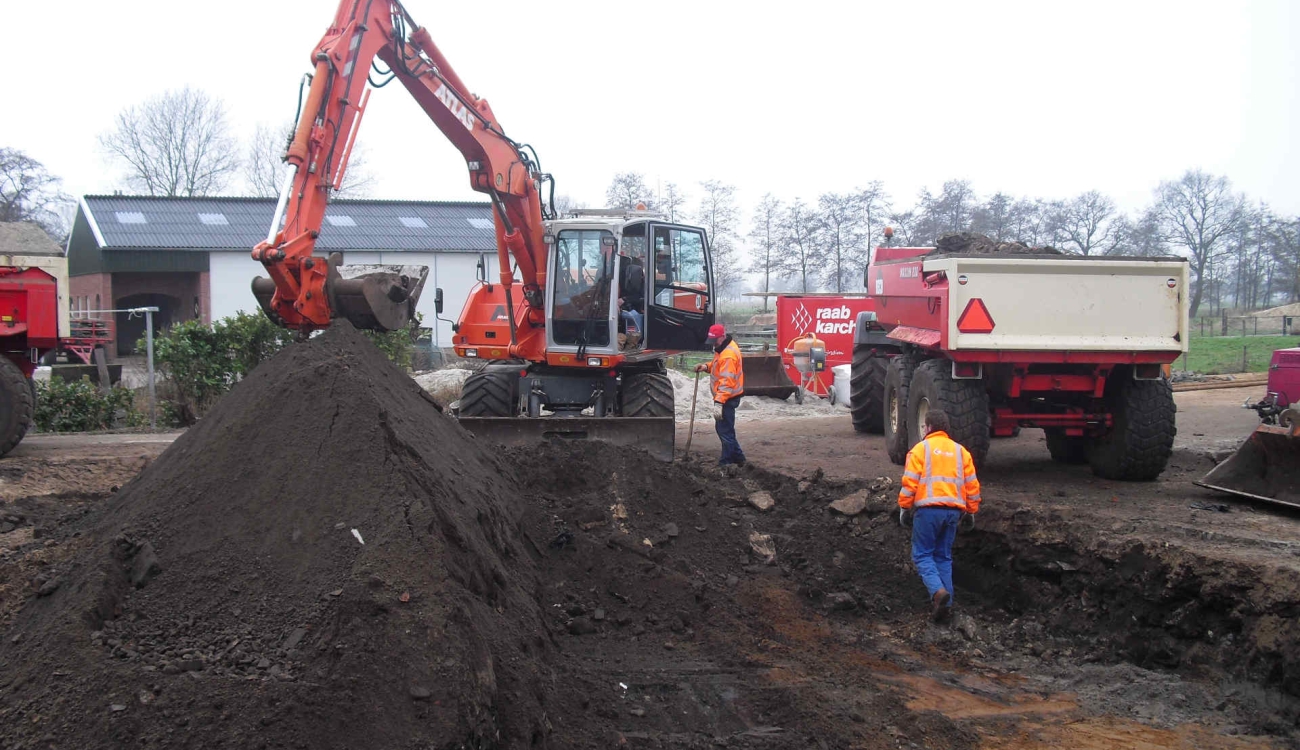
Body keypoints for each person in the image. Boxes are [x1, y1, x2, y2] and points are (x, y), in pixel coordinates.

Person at [897, 409, 981, 624]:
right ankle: (946, 605)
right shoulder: (961, 452)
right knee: (943, 557)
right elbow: (972, 485)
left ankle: (937, 592)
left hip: (928, 511)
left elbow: (910, 482)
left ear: (928, 427)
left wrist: (904, 507)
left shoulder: (920, 450)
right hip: (953, 512)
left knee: (922, 554)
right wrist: (971, 511)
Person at [694, 324, 746, 471]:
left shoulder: (728, 355)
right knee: (725, 428)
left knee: (724, 430)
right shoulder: (723, 349)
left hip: (727, 398)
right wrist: (706, 366)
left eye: (715, 341)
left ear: (722, 336)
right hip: (727, 397)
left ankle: (726, 462)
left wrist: (719, 402)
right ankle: (739, 458)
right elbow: (718, 366)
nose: (713, 344)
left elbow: (726, 382)